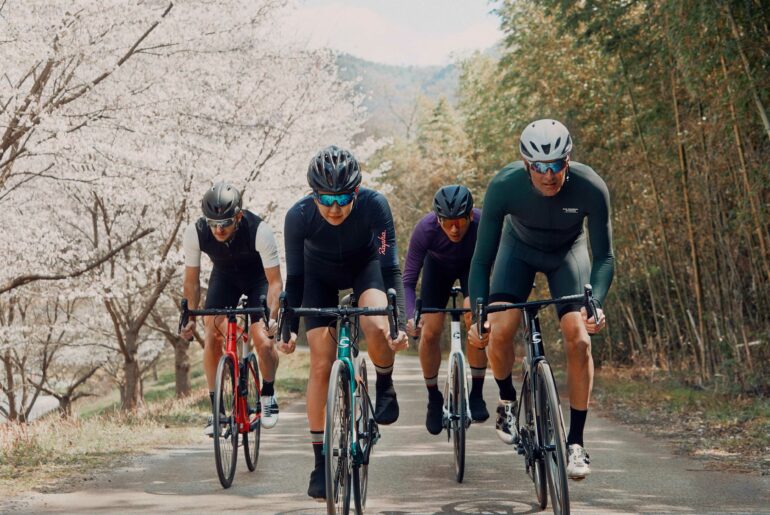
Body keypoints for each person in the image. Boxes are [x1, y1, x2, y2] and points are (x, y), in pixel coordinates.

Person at [468, 119, 614, 480]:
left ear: (568, 160)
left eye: (556, 165)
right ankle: (506, 399)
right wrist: (479, 314)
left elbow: (605, 257)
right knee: (501, 329)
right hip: (516, 252)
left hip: (568, 254)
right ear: (525, 164)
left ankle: (576, 442)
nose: (548, 175)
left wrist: (595, 303)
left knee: (579, 340)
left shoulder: (591, 186)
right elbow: (482, 259)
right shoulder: (504, 186)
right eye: (539, 167)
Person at [282, 145, 408, 499]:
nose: (334, 207)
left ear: (356, 192)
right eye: (325, 198)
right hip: (317, 277)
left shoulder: (374, 205)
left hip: (364, 268)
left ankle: (385, 383)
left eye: (342, 197)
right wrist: (287, 326)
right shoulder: (298, 216)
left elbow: (390, 269)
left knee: (375, 324)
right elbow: (294, 281)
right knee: (321, 362)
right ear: (313, 194)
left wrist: (396, 323)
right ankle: (321, 462)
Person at [179, 181, 284, 435]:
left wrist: (271, 317)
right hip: (225, 278)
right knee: (212, 331)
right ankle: (216, 410)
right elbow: (191, 282)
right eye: (213, 223)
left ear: (238, 216)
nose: (218, 229)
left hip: (258, 279)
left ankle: (268, 393)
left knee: (263, 339)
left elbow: (275, 282)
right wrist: (189, 316)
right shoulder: (195, 232)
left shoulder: (260, 231)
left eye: (225, 223)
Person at [404, 185, 489, 435]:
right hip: (437, 271)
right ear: (438, 219)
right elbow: (408, 281)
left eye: (460, 222)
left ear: (470, 216)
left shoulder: (483, 224)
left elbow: (499, 261)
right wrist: (411, 316)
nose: (454, 229)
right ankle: (433, 398)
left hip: (472, 269)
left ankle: (477, 392)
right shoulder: (425, 229)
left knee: (474, 318)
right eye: (447, 223)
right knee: (430, 331)